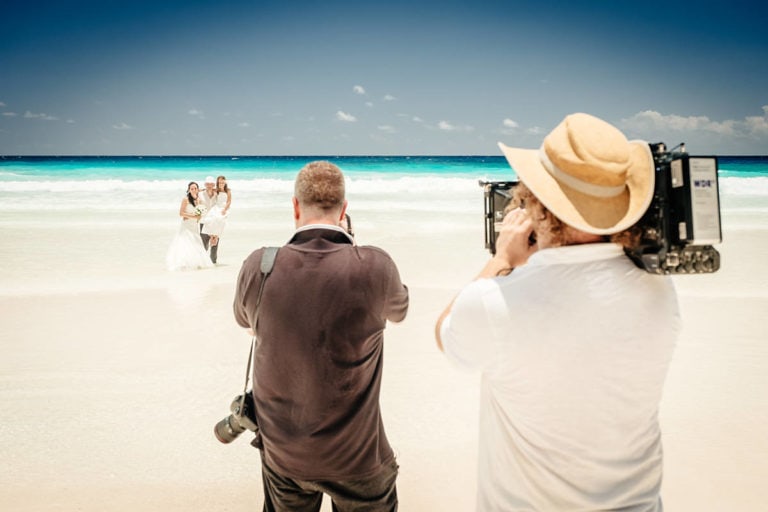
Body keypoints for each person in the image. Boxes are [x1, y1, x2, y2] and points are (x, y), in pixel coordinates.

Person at [435, 113, 681, 512]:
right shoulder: (659, 291)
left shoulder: (494, 304)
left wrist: (501, 261)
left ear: (536, 199)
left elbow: (444, 334)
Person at [233, 160, 409, 512]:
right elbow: (399, 312)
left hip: (284, 455)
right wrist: (355, 249)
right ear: (344, 210)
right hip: (358, 458)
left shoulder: (260, 266)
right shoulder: (374, 266)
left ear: (295, 207)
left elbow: (245, 321)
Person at [165, 181, 214, 271]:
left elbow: (200, 212)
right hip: (187, 225)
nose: (194, 190)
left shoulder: (198, 200)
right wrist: (193, 216)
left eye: (195, 188)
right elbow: (181, 213)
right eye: (192, 189)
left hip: (194, 225)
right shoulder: (186, 199)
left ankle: (197, 262)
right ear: (189, 190)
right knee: (186, 242)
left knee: (196, 242)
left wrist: (199, 217)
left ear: (197, 189)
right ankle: (184, 263)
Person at [201, 175, 232, 261]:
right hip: (216, 207)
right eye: (219, 182)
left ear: (225, 182)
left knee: (220, 220)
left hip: (223, 208)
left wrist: (225, 209)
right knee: (211, 220)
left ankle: (215, 237)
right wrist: (198, 190)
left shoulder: (228, 191)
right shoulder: (216, 190)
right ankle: (212, 237)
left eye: (223, 182)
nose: (221, 183)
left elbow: (229, 201)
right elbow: (207, 189)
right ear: (217, 183)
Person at [198, 175, 219, 263]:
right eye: (207, 184)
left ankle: (213, 262)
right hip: (204, 221)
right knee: (204, 243)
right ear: (205, 185)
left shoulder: (217, 194)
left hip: (215, 221)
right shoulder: (200, 194)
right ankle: (203, 262)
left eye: (211, 184)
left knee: (215, 244)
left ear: (214, 185)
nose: (209, 186)